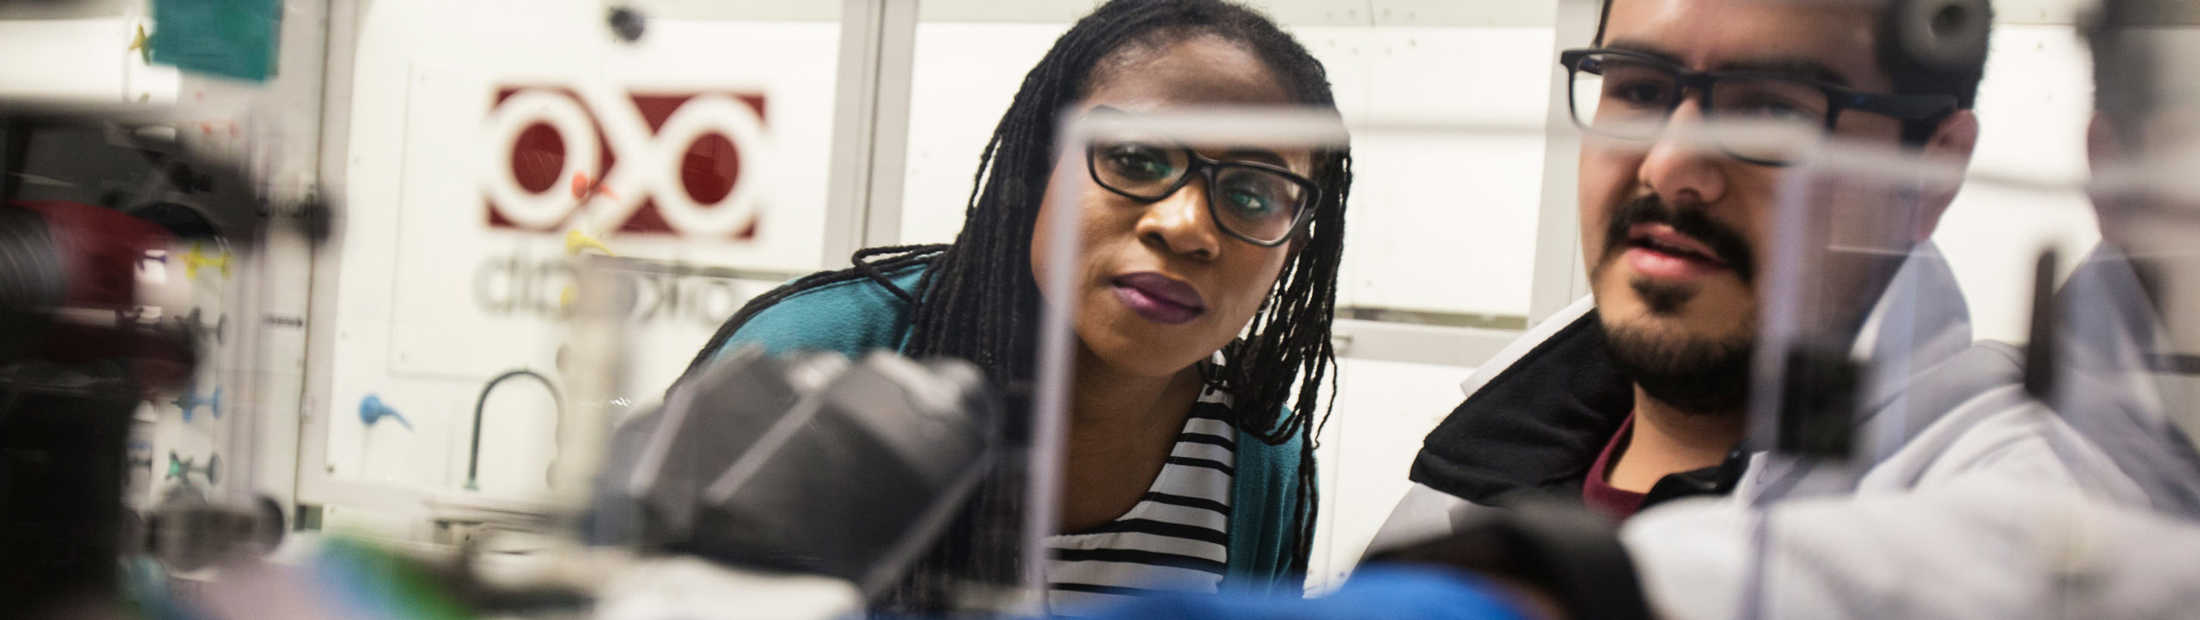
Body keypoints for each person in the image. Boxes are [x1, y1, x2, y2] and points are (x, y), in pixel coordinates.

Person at [1372, 0, 2145, 574]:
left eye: (1772, 109)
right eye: (1639, 90)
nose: (1670, 164)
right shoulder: (1481, 450)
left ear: (1930, 171)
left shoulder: (2012, 494)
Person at [666, 0, 1352, 611]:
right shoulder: (823, 356)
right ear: (1038, 163)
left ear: (1294, 245)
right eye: (1136, 158)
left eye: (1254, 196)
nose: (1186, 227)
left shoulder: (1256, 453)